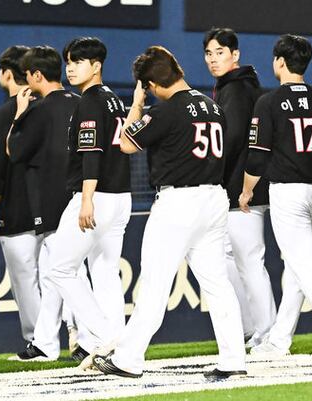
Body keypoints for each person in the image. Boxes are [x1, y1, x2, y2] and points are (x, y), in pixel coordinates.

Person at [93, 46, 246, 379]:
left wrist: (137, 104)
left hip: (179, 203)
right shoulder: (212, 106)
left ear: (150, 84)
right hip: (214, 198)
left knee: (154, 282)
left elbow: (125, 143)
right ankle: (234, 360)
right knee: (218, 284)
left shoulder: (166, 111)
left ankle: (128, 359)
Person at [239, 34, 312, 358]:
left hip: (288, 192)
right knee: (297, 267)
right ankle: (279, 341)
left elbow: (257, 157)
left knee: (303, 265)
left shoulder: (269, 102)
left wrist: (246, 191)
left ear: (279, 62)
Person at [21, 37, 131, 365]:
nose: (71, 68)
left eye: (78, 62)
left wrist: (86, 200)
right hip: (120, 196)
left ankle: (105, 336)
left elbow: (91, 153)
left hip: (95, 196)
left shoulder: (91, 101)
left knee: (60, 268)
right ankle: (118, 346)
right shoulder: (113, 99)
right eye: (69, 61)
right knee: (105, 272)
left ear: (96, 66)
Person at [5, 46, 96, 362]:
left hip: (54, 200)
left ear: (37, 75)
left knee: (67, 272)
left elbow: (14, 152)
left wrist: (19, 114)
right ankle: (46, 343)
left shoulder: (39, 110)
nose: (26, 79)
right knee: (56, 271)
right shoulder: (80, 102)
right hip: (82, 196)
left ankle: (90, 339)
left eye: (28, 74)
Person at [203, 27, 276, 348]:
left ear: (235, 54)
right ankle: (252, 328)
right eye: (209, 53)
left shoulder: (236, 88)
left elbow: (231, 139)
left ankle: (267, 332)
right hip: (239, 186)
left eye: (220, 52)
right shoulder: (235, 85)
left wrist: (211, 173)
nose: (213, 59)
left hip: (242, 188)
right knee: (232, 258)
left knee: (248, 260)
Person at [0, 45, 39, 343]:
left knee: (25, 280)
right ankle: (76, 335)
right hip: (55, 208)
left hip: (17, 211)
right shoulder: (49, 107)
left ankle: (38, 341)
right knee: (61, 276)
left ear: (6, 74)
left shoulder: (4, 114)